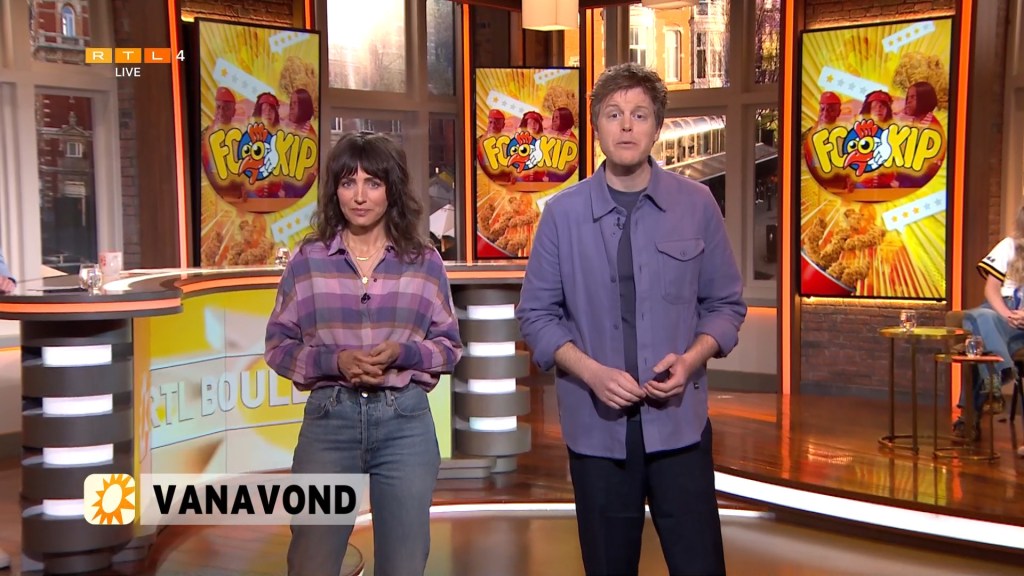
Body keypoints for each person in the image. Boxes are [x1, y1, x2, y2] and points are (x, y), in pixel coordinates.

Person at [516, 62, 746, 576]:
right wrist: (593, 373)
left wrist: (690, 360)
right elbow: (536, 315)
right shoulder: (562, 214)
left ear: (657, 128)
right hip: (597, 434)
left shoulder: (696, 203)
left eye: (639, 115)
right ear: (595, 126)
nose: (626, 125)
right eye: (613, 114)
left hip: (680, 428)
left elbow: (726, 304)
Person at [264, 130, 463, 576]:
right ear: (334, 190)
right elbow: (278, 346)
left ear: (392, 190)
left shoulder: (424, 262)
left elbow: (449, 348)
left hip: (405, 424)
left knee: (403, 564)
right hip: (329, 421)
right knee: (311, 563)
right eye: (348, 182)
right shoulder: (308, 260)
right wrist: (334, 361)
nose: (359, 196)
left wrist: (404, 353)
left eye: (372, 183)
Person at [957, 206, 1024, 442]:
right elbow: (991, 288)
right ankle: (994, 383)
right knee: (978, 318)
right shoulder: (1009, 246)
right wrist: (1007, 314)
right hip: (1002, 311)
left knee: (977, 341)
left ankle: (969, 418)